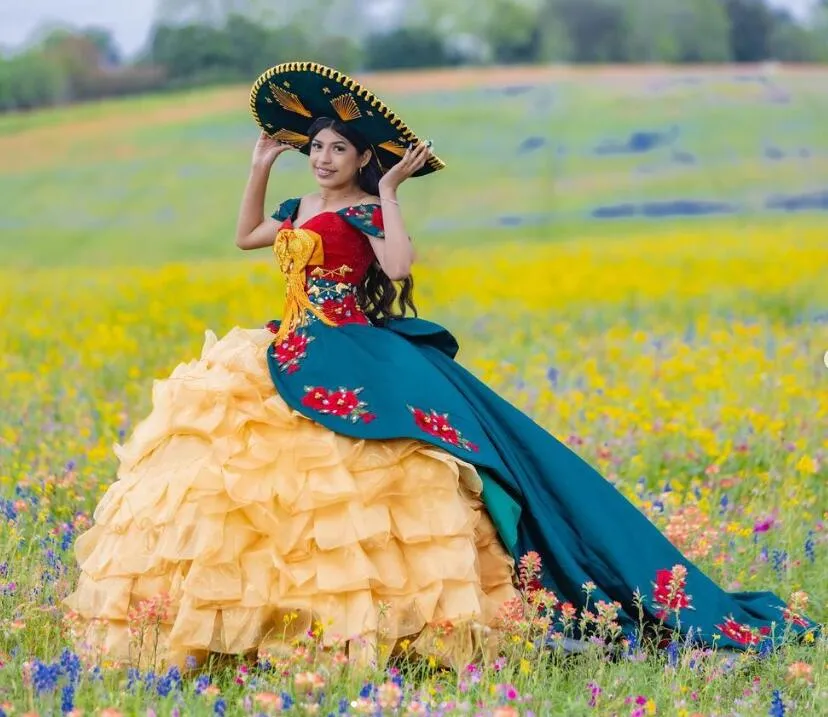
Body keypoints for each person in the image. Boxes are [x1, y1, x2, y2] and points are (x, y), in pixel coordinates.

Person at [63, 62, 816, 672]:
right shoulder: (298, 206)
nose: (323, 158)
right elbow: (245, 236)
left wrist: (389, 193)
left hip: (351, 348)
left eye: (337, 150)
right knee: (246, 483)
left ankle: (399, 626)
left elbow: (396, 261)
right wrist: (260, 165)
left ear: (362, 158)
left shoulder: (363, 210)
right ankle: (255, 627)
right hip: (286, 345)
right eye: (316, 147)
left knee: (381, 472)